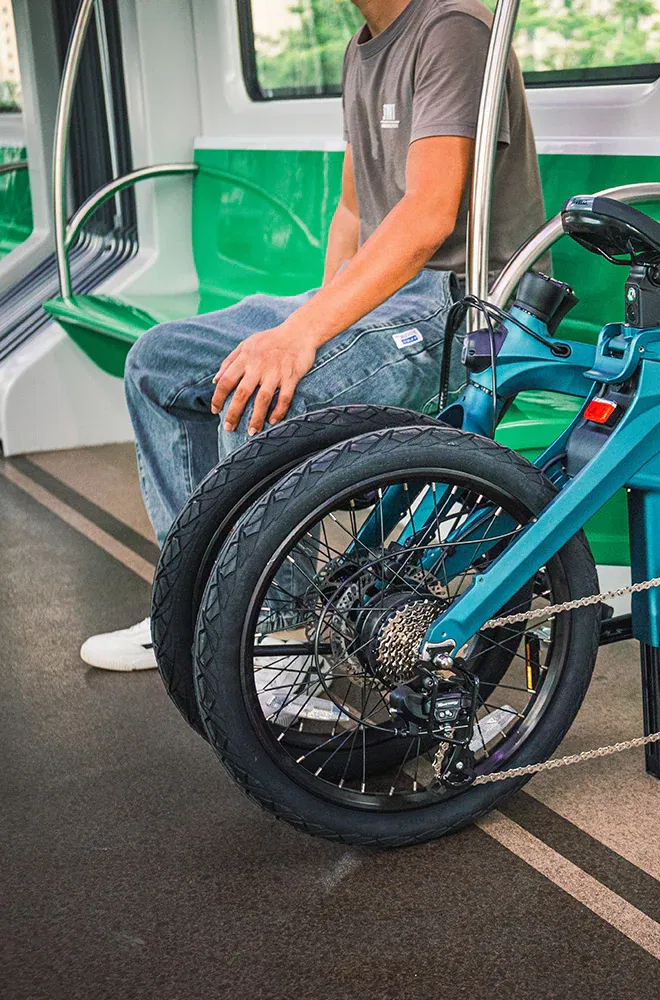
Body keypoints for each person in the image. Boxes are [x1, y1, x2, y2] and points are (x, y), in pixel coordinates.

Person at [80, 0, 545, 670]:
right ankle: (196, 606)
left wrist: (304, 337)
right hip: (389, 295)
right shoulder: (363, 49)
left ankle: (274, 635)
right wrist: (324, 322)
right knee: (158, 362)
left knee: (272, 384)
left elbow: (429, 216)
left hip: (469, 305)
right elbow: (353, 212)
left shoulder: (453, 30)